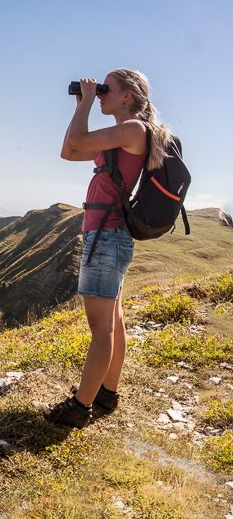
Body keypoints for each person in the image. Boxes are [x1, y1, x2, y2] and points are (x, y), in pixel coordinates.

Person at [42, 69, 174, 427]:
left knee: (100, 327)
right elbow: (69, 150)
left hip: (107, 236)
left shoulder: (132, 130)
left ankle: (79, 408)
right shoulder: (121, 135)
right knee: (113, 322)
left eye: (106, 90)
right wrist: (81, 106)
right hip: (108, 237)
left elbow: (77, 139)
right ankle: (106, 393)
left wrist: (85, 103)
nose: (100, 95)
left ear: (127, 96)